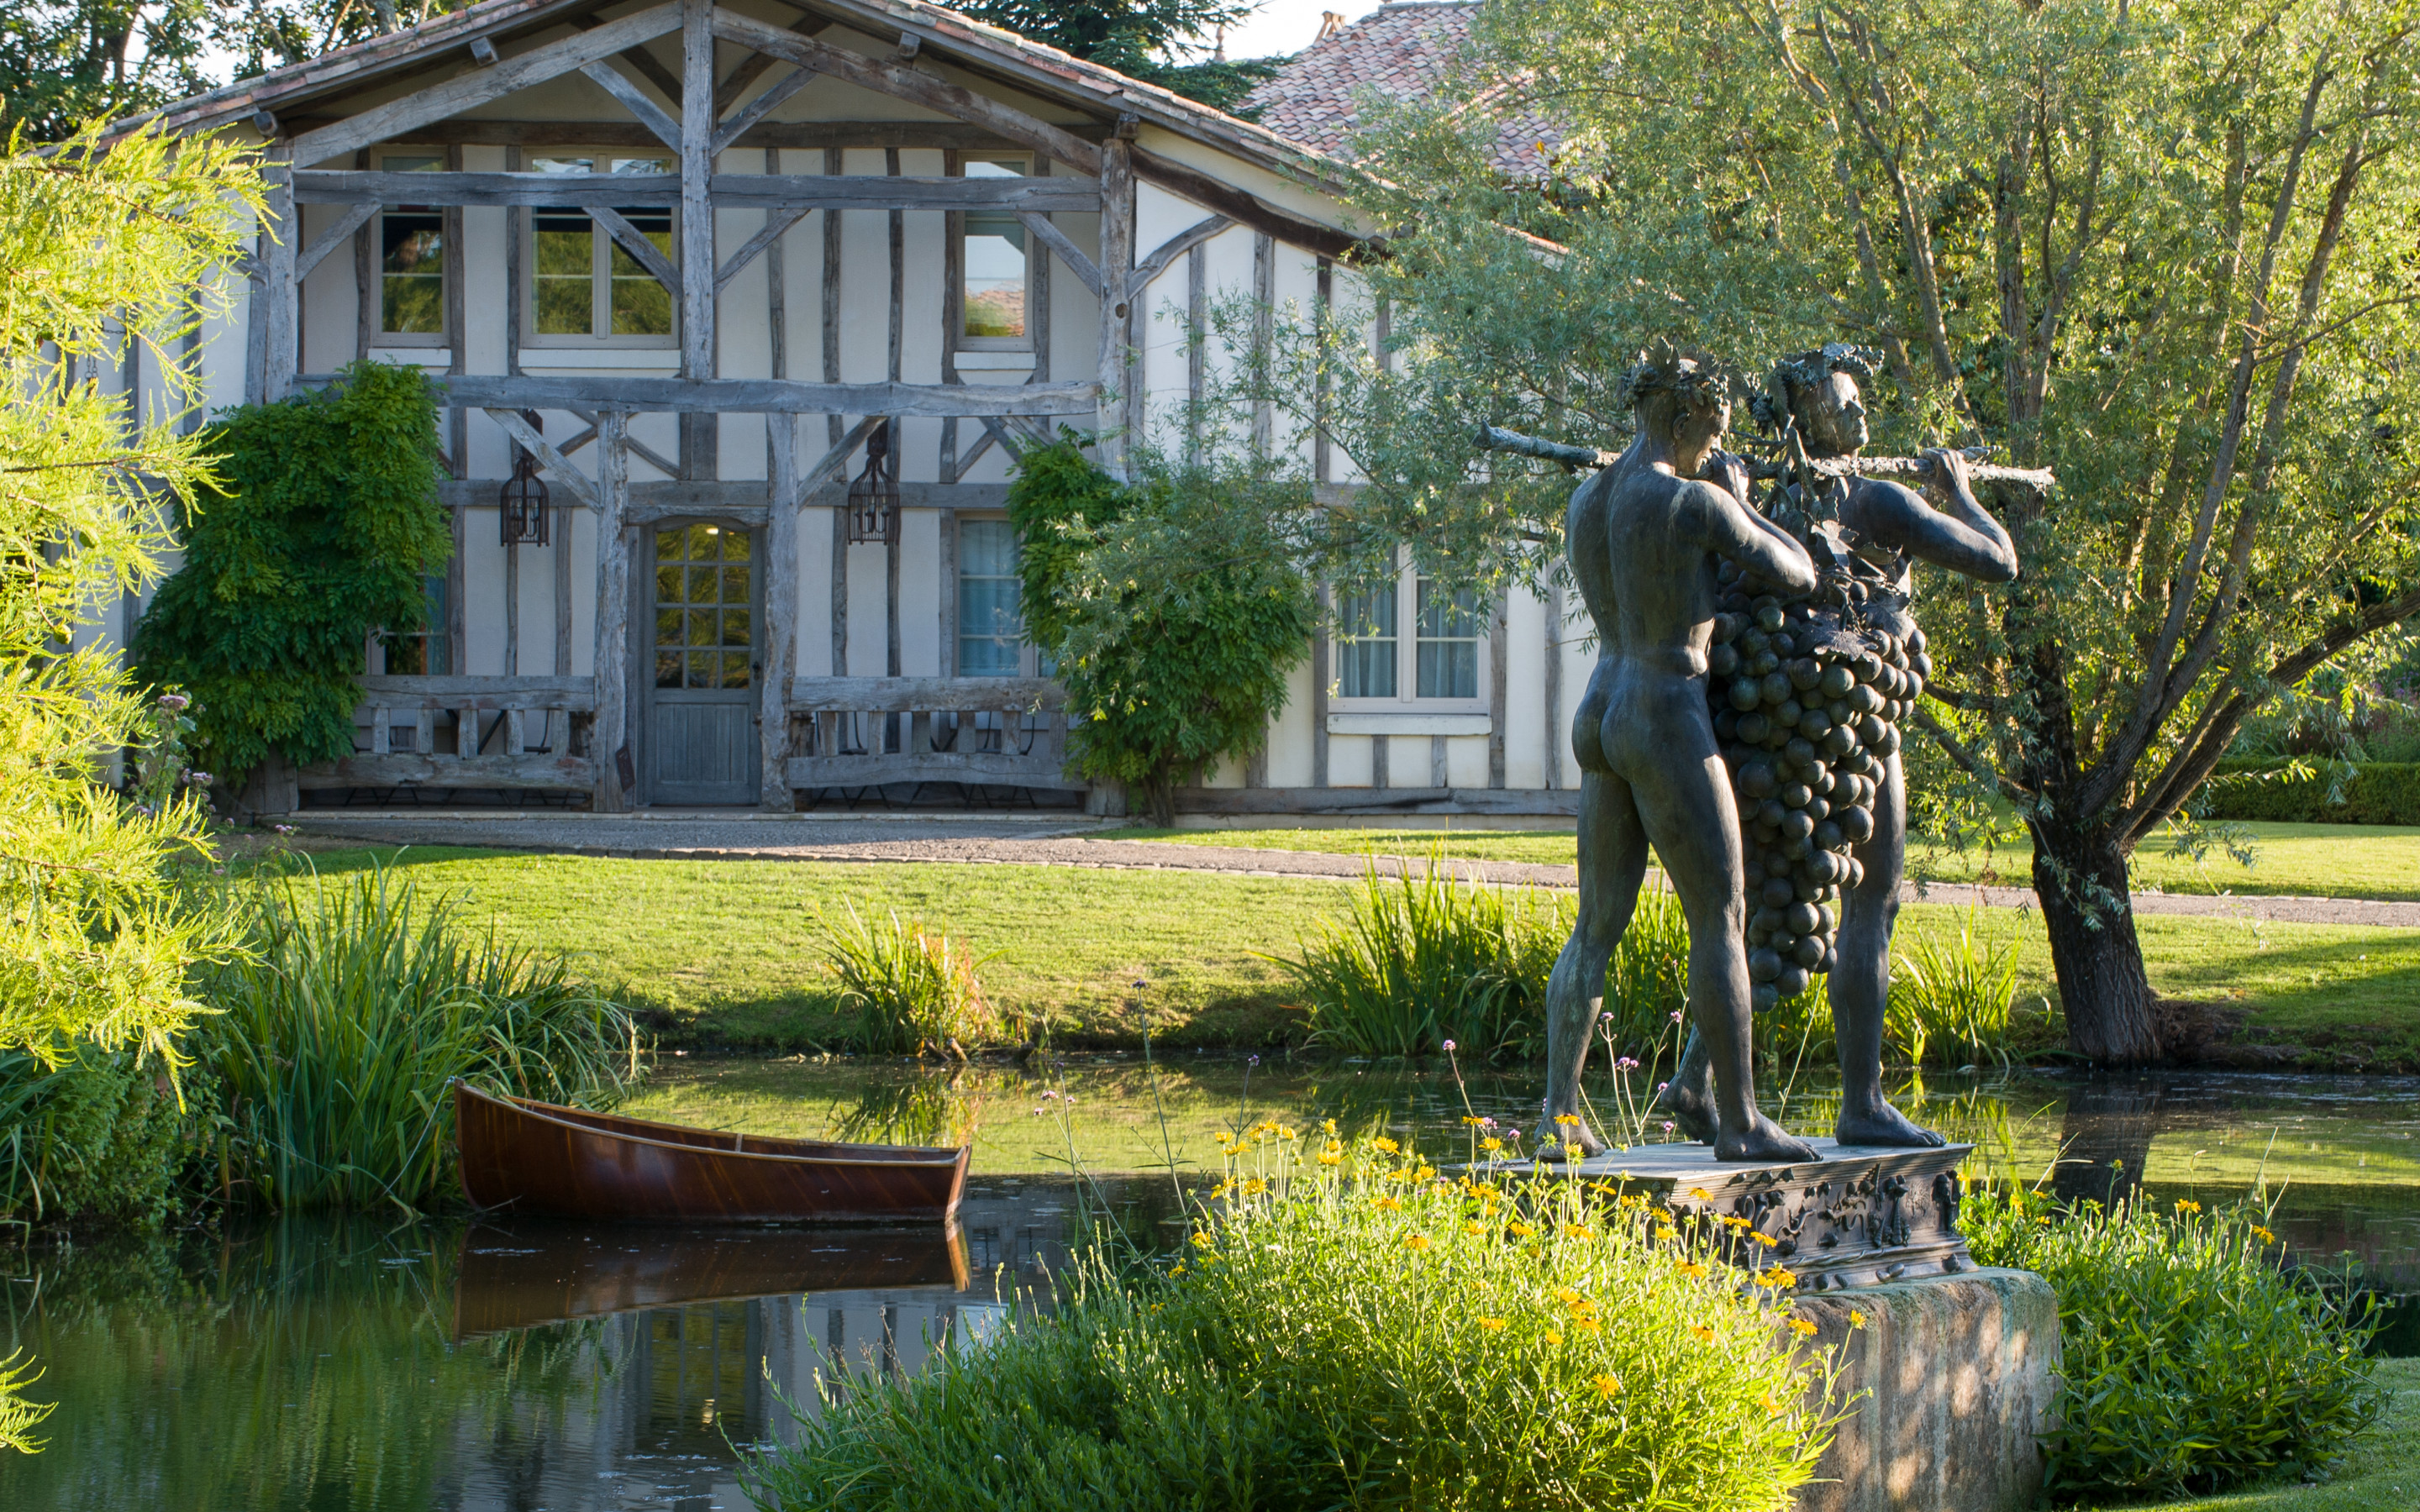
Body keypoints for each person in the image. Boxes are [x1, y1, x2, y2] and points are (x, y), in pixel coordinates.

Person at [1660, 345, 2018, 1147]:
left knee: (1772, 900)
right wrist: (1960, 492)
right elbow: (1999, 561)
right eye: (1841, 402)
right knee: (1870, 899)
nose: (1859, 413)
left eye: (1858, 400)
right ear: (1807, 417)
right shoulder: (1875, 500)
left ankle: (1695, 1077)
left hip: (1776, 724)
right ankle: (1862, 1103)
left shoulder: (1759, 500)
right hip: (1856, 718)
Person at [1540, 339, 1821, 1163]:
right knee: (1721, 915)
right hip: (1665, 710)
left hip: (1601, 710)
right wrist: (1742, 502)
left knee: (1595, 926)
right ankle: (1740, 1122)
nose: (1716, 447)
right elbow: (1798, 573)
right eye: (1713, 430)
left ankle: (1559, 1119)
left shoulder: (1588, 499)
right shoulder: (1691, 501)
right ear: (1686, 414)